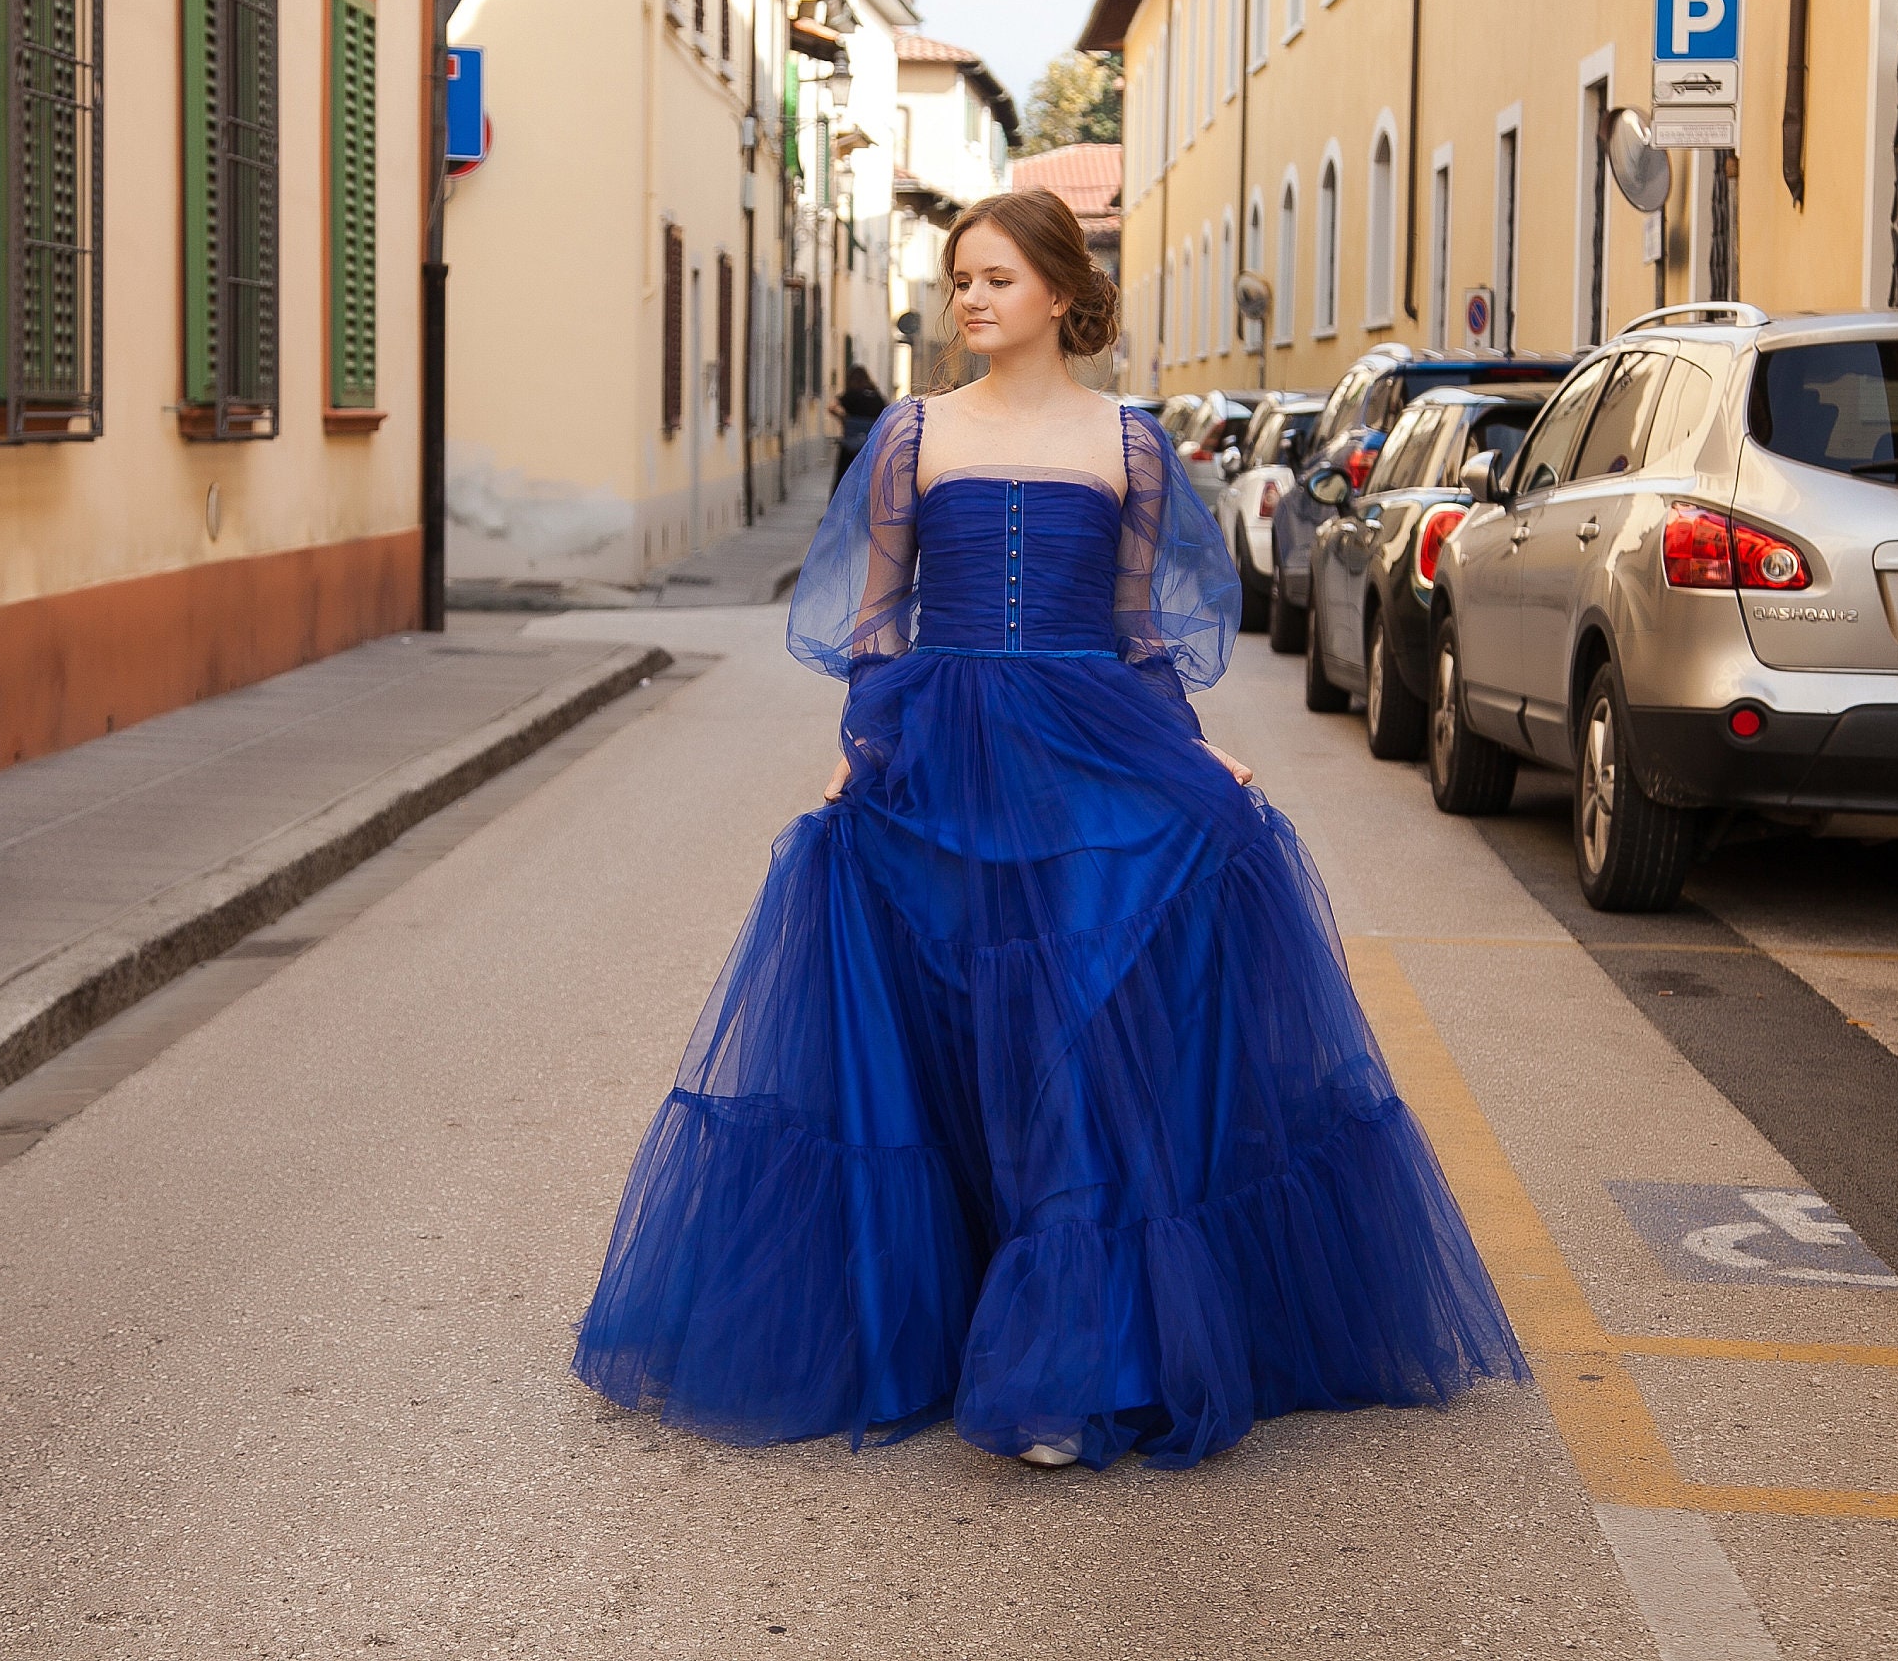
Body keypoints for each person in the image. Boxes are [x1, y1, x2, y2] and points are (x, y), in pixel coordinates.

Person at [573, 188, 1524, 1470]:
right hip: (949, 755)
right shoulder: (913, 435)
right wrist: (871, 749)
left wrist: (1192, 752)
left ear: (1064, 297)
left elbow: (1141, 634)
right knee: (960, 1035)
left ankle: (1072, 1360)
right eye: (960, 276)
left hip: (1088, 752)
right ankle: (962, 1319)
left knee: (1078, 1034)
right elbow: (878, 621)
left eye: (998, 279)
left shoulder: (1129, 445)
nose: (968, 297)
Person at [831, 364, 888, 489]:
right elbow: (886, 414)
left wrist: (844, 418)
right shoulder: (877, 397)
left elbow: (832, 407)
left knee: (842, 479)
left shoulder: (850, 395)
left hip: (849, 447)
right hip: (870, 447)